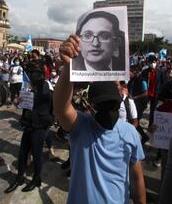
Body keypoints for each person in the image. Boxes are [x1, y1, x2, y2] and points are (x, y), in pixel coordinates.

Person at [53, 34, 146, 204]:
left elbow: (137, 179)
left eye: (113, 105)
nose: (109, 112)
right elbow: (61, 108)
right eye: (103, 106)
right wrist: (68, 68)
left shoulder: (130, 133)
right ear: (90, 107)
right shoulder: (81, 127)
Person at [4, 70, 53, 193]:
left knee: (37, 154)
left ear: (35, 83)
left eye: (30, 82)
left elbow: (53, 110)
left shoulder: (48, 94)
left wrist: (48, 122)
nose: (29, 84)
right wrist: (18, 102)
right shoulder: (29, 92)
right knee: (22, 152)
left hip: (40, 127)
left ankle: (37, 178)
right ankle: (20, 177)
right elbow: (24, 107)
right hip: (28, 125)